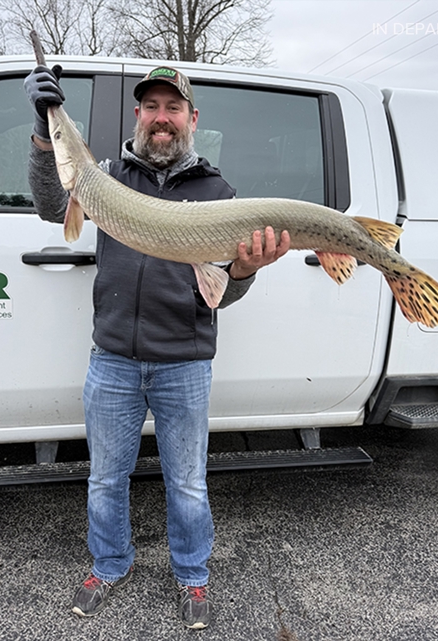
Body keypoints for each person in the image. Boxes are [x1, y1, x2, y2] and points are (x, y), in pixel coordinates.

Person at [24, 63, 290, 630]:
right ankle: (109, 563)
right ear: (138, 115)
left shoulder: (218, 193)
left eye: (173, 108)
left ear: (191, 119)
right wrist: (45, 132)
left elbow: (224, 290)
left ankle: (193, 575)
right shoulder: (107, 177)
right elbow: (54, 202)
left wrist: (245, 271)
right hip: (114, 357)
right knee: (104, 476)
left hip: (184, 362)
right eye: (151, 107)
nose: (161, 119)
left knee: (188, 480)